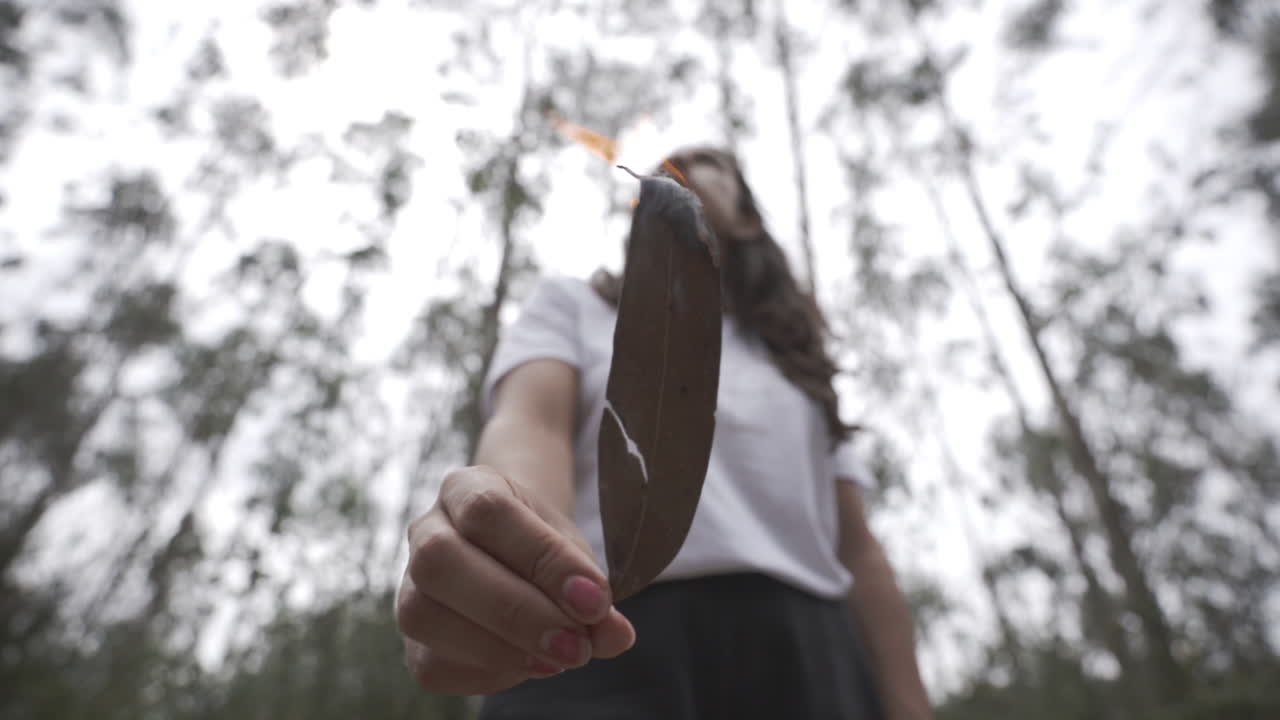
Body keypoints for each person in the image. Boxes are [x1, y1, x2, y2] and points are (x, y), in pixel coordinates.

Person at [395, 147, 933, 719]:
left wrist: (908, 705)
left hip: (808, 657)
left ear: (748, 218)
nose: (679, 165)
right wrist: (512, 538)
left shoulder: (795, 361)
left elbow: (857, 548)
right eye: (670, 162)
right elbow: (531, 426)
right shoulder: (574, 308)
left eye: (707, 162)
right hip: (605, 639)